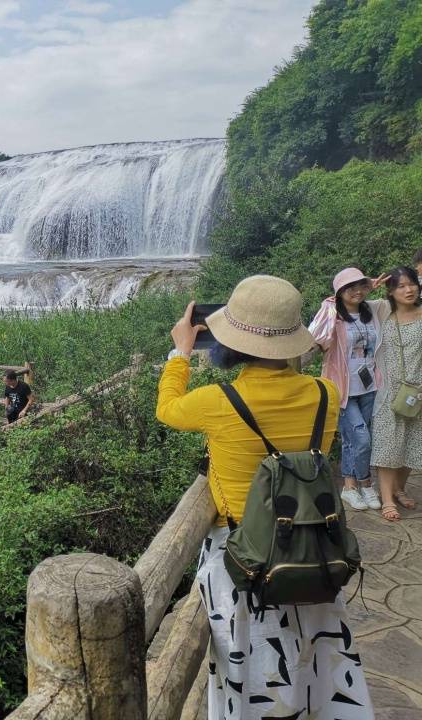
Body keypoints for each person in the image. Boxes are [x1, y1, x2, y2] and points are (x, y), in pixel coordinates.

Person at [156, 277, 372, 719]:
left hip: (245, 555)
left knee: (252, 668)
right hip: (311, 548)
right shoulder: (323, 395)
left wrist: (181, 351)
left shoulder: (217, 401)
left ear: (229, 340)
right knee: (312, 658)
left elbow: (167, 409)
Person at [308, 268, 389, 511]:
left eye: (361, 285)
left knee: (354, 440)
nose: (357, 291)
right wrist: (334, 299)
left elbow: (391, 304)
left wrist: (369, 289)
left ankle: (351, 487)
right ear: (339, 292)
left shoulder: (371, 310)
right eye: (350, 287)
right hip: (342, 388)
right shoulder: (333, 314)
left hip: (369, 385)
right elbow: (315, 335)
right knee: (362, 439)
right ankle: (364, 483)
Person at [370, 266, 422, 521]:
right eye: (400, 286)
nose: (408, 289)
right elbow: (337, 305)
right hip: (389, 389)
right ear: (390, 291)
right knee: (387, 444)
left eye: (411, 283)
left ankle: (399, 489)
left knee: (413, 444)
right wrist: (368, 286)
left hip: (419, 390)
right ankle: (387, 499)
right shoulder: (381, 310)